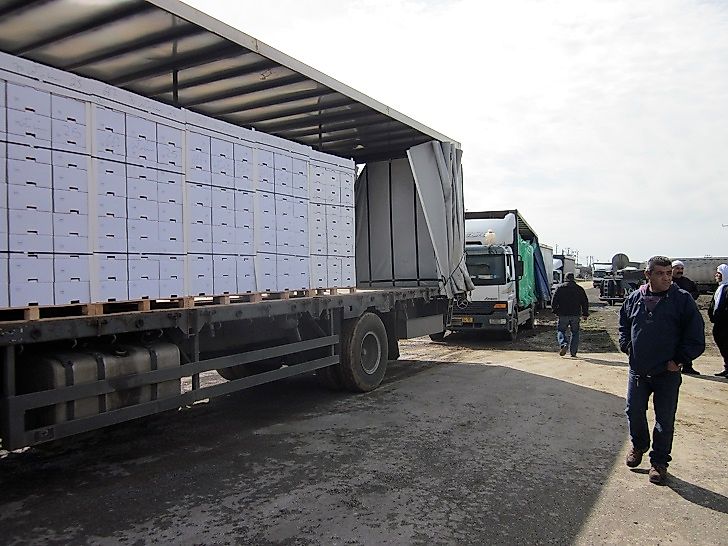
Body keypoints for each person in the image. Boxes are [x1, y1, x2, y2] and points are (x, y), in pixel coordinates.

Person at [619, 256, 705, 485]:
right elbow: (624, 324)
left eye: (669, 273)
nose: (667, 277)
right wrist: (627, 345)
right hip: (638, 370)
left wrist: (679, 360)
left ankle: (659, 462)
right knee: (633, 411)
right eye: (660, 273)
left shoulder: (682, 300)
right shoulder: (635, 298)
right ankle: (639, 446)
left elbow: (696, 336)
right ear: (648, 275)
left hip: (667, 372)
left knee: (664, 420)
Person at [671, 260, 701, 374]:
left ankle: (688, 366)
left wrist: (687, 299)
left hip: (686, 316)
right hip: (672, 316)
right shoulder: (667, 282)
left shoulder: (688, 282)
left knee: (686, 340)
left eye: (681, 268)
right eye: (677, 268)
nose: (679, 271)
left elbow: (695, 293)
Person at [551, 272, 589, 357]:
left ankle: (563, 344)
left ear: (565, 278)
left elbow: (554, 301)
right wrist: (585, 314)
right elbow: (585, 302)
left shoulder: (560, 288)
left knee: (561, 330)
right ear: (573, 279)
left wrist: (555, 311)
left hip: (563, 314)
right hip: (575, 314)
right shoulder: (579, 289)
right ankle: (573, 352)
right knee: (575, 332)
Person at [709, 264, 728, 378]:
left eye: (719, 273)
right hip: (719, 323)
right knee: (723, 344)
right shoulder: (720, 288)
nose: (716, 275)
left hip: (725, 323)